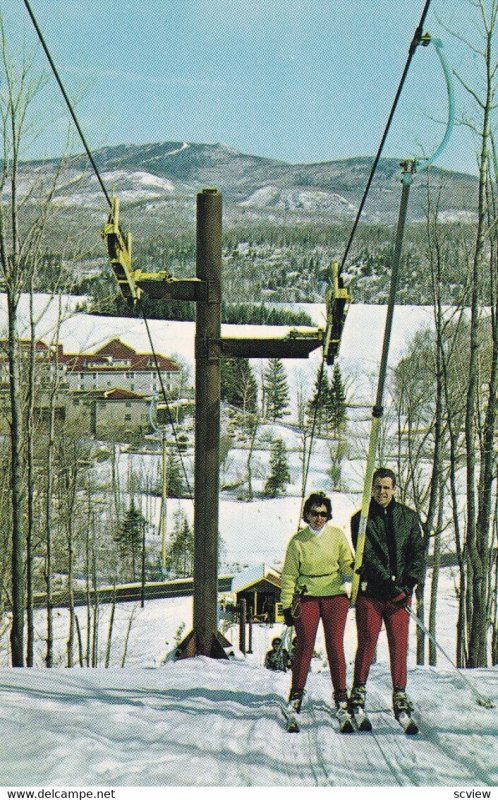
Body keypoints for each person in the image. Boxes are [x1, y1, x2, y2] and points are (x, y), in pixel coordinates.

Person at [350, 467, 426, 721]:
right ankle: (359, 689)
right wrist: (388, 585)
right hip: (372, 592)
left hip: (399, 597)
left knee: (398, 643)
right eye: (378, 487)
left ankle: (400, 692)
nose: (382, 492)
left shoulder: (408, 517)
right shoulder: (361, 519)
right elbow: (367, 555)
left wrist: (408, 587)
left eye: (386, 487)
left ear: (394, 489)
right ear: (372, 489)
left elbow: (417, 554)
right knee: (368, 639)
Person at [280, 492, 354, 724]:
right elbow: (289, 575)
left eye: (323, 514)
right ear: (307, 515)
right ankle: (296, 694)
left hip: (334, 595)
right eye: (314, 513)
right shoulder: (298, 541)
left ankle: (341, 694)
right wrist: (286, 604)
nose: (319, 518)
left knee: (334, 644)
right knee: (304, 645)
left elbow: (346, 564)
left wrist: (356, 570)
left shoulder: (337, 536)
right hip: (308, 595)